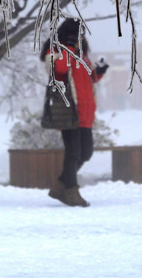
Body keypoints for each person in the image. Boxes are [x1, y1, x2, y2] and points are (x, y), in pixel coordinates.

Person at [40, 18, 108, 207]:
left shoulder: (81, 54)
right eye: (78, 35)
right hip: (69, 110)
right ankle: (70, 191)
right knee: (73, 152)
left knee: (85, 153)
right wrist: (68, 49)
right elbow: (59, 70)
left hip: (86, 111)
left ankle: (61, 184)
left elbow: (90, 78)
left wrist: (99, 70)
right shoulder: (55, 50)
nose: (81, 39)